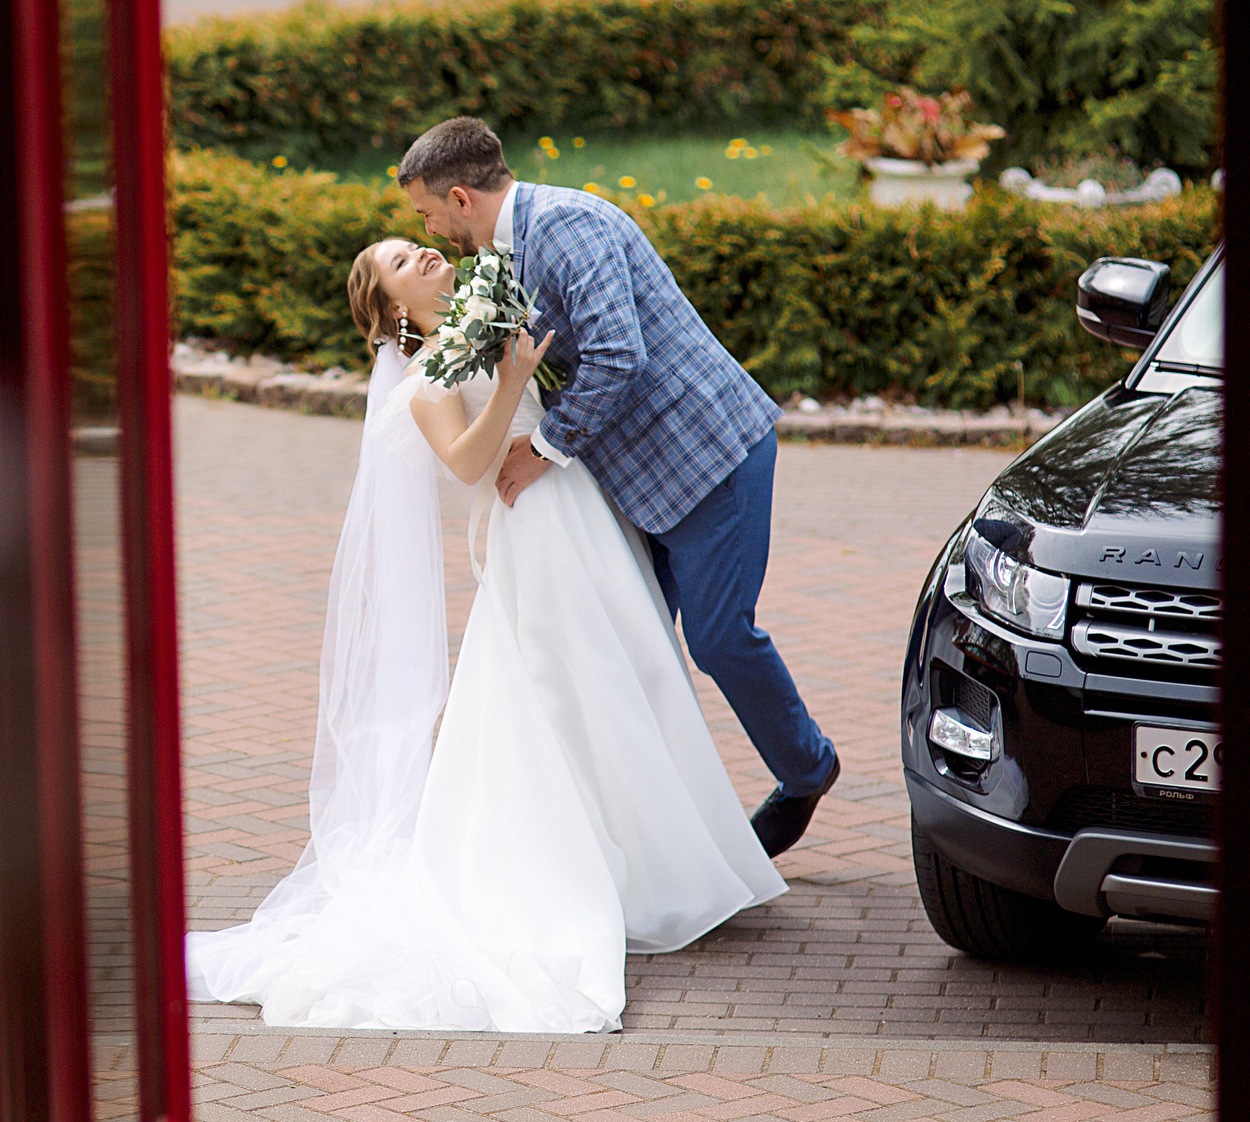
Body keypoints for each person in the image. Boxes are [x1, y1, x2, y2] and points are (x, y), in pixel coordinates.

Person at [184, 238, 784, 1034]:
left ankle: (656, 866)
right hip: (531, 532)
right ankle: (595, 871)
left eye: (415, 243)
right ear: (393, 306)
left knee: (629, 675)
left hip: (581, 516)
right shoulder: (430, 375)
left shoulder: (489, 316)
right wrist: (508, 385)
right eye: (400, 258)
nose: (422, 252)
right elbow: (469, 463)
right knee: (571, 690)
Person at [397, 117, 839, 856]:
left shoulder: (566, 225)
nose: (429, 227)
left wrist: (543, 445)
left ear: (462, 197)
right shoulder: (510, 246)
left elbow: (617, 355)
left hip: (709, 453)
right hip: (638, 479)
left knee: (718, 635)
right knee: (630, 647)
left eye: (426, 212)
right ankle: (656, 829)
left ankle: (806, 770)